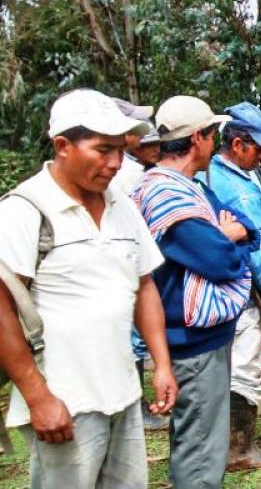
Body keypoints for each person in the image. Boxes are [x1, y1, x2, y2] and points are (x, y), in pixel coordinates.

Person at [0, 88, 177, 488]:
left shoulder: (121, 205)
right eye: (102, 150)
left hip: (123, 393)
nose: (115, 163)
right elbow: (2, 308)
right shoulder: (24, 210)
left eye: (120, 150)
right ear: (62, 145)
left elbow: (144, 284)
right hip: (66, 400)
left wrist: (161, 364)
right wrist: (38, 397)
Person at [132, 95, 256, 488]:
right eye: (212, 134)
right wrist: (226, 236)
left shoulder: (190, 187)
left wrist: (230, 234)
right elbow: (223, 259)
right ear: (198, 138)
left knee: (200, 440)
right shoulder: (166, 194)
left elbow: (247, 227)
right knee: (199, 451)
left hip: (204, 338)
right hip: (193, 343)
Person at [198, 101, 261, 469]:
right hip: (242, 293)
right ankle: (238, 450)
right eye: (257, 148)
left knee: (220, 367)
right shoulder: (235, 187)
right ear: (237, 144)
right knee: (244, 367)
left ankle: (217, 442)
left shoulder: (215, 172)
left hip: (217, 293)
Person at [111, 99, 170, 431]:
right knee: (133, 337)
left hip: (139, 265)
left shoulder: (136, 171)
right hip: (128, 269)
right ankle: (136, 409)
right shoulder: (127, 175)